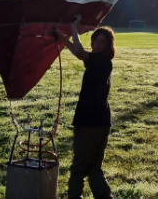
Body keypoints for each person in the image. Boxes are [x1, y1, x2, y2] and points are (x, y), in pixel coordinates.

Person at [52, 19, 115, 199]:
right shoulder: (100, 61)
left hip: (90, 123)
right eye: (95, 40)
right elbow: (78, 51)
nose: (97, 44)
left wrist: (73, 26)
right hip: (101, 121)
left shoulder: (101, 61)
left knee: (79, 168)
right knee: (93, 167)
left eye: (102, 42)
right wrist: (63, 37)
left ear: (108, 46)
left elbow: (79, 52)